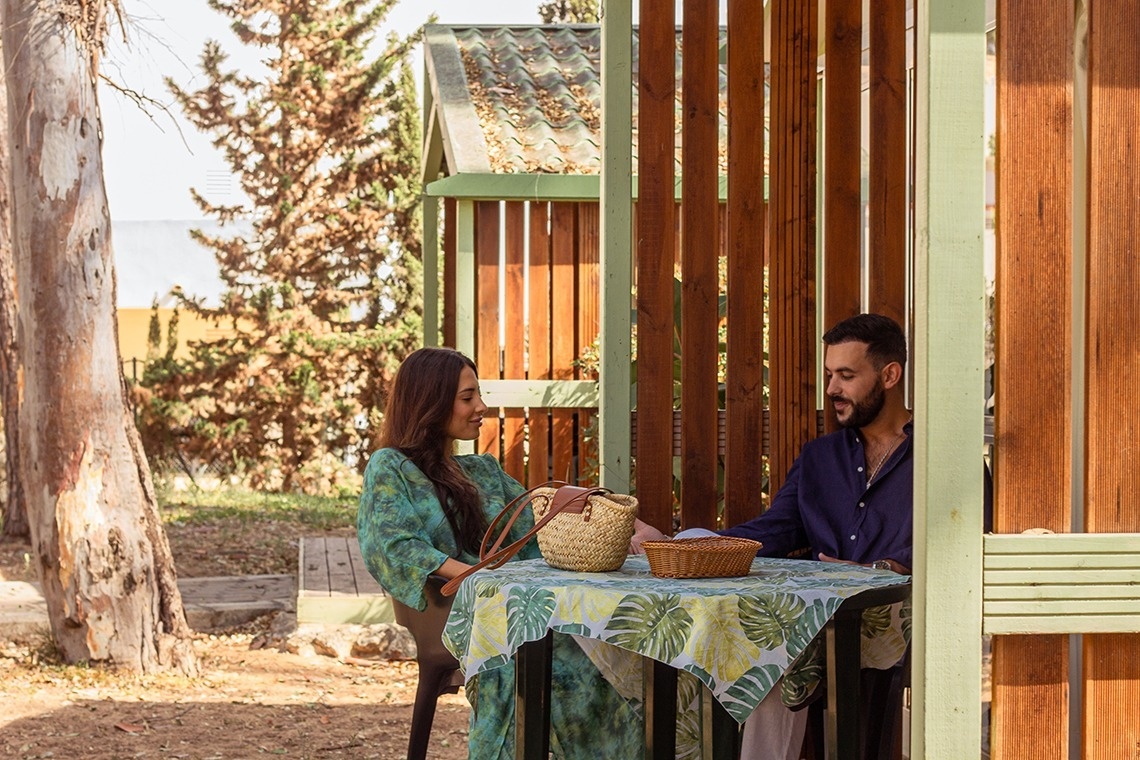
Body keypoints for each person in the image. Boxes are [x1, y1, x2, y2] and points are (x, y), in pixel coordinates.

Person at [631, 313, 927, 759]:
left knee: (770, 648)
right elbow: (772, 531)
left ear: (889, 375)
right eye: (830, 375)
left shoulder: (935, 454)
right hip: (811, 621)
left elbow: (957, 543)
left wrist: (878, 570)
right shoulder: (820, 458)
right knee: (753, 640)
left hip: (891, 616)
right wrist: (682, 546)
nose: (832, 390)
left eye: (847, 376)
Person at [357, 346, 642, 759]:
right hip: (458, 612)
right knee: (567, 655)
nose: (481, 407)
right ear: (430, 402)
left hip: (525, 604)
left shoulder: (480, 471)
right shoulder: (391, 467)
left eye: (479, 395)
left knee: (624, 639)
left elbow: (539, 515)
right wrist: (483, 580)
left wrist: (619, 521)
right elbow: (393, 547)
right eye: (467, 397)